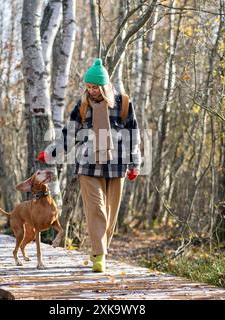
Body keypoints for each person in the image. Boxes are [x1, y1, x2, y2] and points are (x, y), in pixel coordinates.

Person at [39, 58, 141, 272]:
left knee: (111, 215)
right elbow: (69, 134)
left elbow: (133, 135)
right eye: (88, 86)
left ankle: (100, 251)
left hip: (116, 166)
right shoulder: (83, 105)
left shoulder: (123, 103)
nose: (91, 90)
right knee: (97, 210)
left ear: (104, 86)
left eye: (95, 87)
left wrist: (135, 163)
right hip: (88, 167)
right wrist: (51, 153)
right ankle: (99, 256)